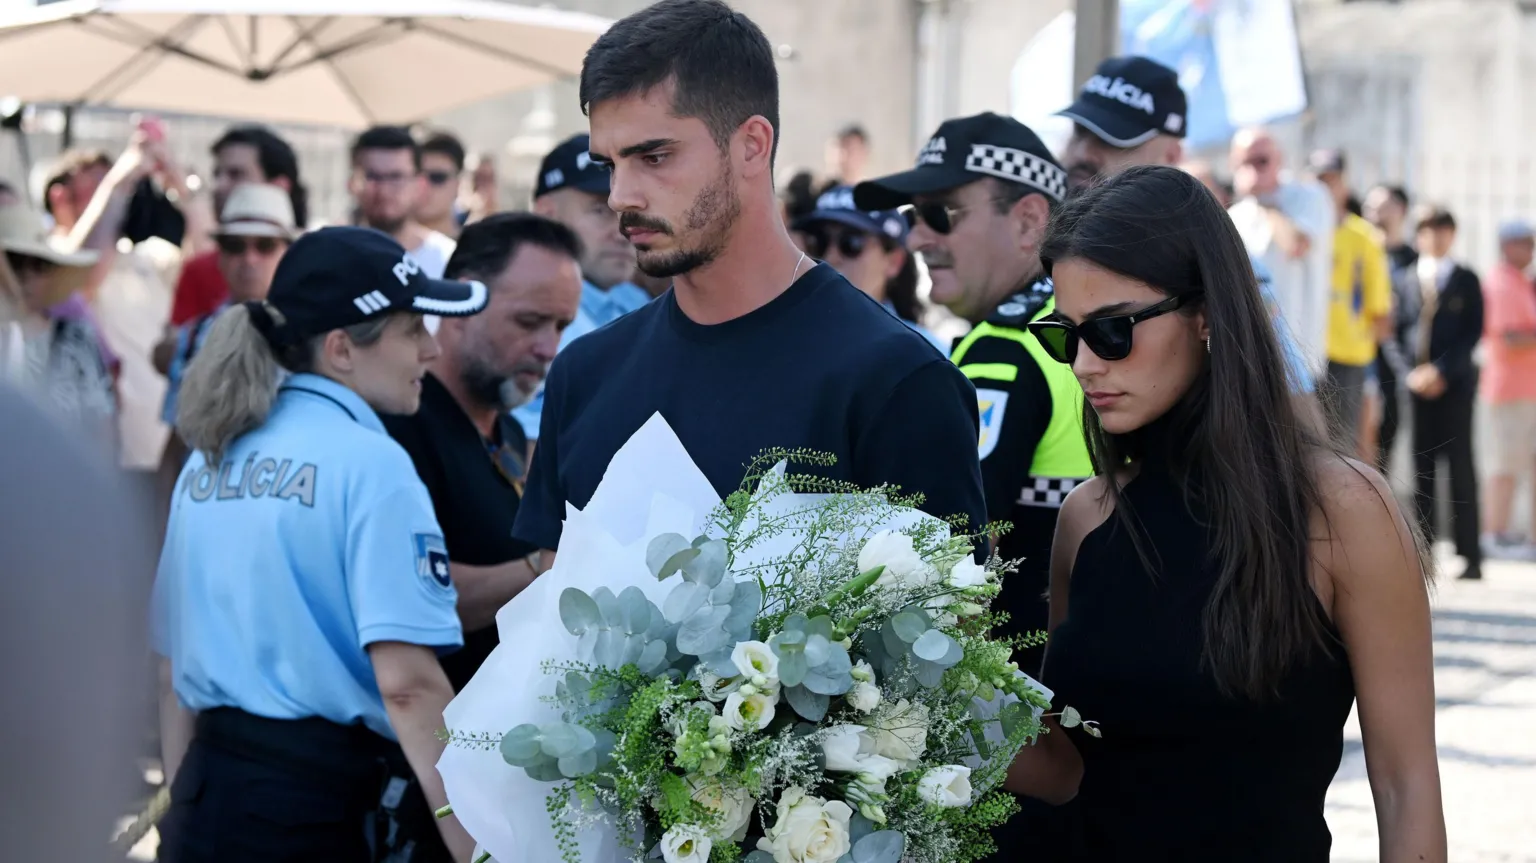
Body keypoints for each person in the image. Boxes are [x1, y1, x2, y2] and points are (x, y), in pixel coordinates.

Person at [1025, 164, 1445, 860]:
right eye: (1065, 335)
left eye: (1113, 330)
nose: (1085, 365)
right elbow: (1060, 767)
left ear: (1207, 314)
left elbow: (1406, 787)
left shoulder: (1343, 509)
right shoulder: (1089, 516)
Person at [513, 0, 987, 564]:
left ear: (752, 145)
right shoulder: (584, 373)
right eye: (609, 164)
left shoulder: (895, 379)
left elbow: (948, 634)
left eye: (655, 156)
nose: (622, 196)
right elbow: (551, 607)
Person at [151, 226, 488, 862]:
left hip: (204, 800)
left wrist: (183, 806)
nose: (430, 350)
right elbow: (409, 686)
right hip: (312, 813)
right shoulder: (372, 464)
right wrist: (478, 847)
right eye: (412, 328)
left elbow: (171, 667)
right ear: (341, 348)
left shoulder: (211, 453)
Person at [854, 113, 1085, 681]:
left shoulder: (1005, 348)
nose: (916, 238)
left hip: (1021, 710)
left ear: (1029, 221)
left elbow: (947, 551)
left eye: (940, 215)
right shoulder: (1095, 324)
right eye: (912, 217)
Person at [382, 213, 582, 693]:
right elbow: (411, 597)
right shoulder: (400, 424)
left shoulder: (509, 430)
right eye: (530, 322)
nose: (549, 347)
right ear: (463, 300)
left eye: (561, 325)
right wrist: (548, 567)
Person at [156, 183, 297, 504]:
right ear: (219, 256)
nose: (249, 259)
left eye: (265, 245)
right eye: (235, 246)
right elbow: (176, 445)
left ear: (288, 253)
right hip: (203, 509)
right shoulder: (193, 335)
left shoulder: (313, 338)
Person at [518, 133, 649, 440]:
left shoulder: (633, 299)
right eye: (601, 211)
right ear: (547, 214)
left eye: (631, 211)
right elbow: (529, 450)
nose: (623, 231)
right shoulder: (522, 315)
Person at [166, 125, 307, 328]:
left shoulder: (320, 276)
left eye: (236, 174)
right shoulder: (197, 271)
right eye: (233, 246)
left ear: (279, 187)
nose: (220, 185)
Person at [1408, 205, 1485, 581]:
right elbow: (1394, 330)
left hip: (1454, 388)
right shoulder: (1407, 278)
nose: (1434, 235)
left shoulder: (1466, 278)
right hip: (1415, 389)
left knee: (1461, 468)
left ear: (1452, 234)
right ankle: (1423, 551)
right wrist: (1411, 373)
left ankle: (1470, 554)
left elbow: (1472, 334)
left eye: (1441, 228)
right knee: (1420, 470)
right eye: (1426, 228)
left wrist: (1440, 371)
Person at [0, 203, 115, 450]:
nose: (27, 276)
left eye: (39, 265)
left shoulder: (75, 336)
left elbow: (102, 423)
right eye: (16, 262)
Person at [1228, 127, 1335, 383]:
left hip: (1301, 358)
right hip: (1254, 358)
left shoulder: (1309, 196)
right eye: (1245, 163)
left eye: (1261, 160)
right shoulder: (1236, 215)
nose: (1253, 169)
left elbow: (1295, 244)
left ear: (1280, 159)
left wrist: (1265, 201)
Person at [790, 184, 944, 351]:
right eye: (819, 242)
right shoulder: (783, 339)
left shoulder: (928, 356)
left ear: (894, 261)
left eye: (851, 243)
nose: (830, 257)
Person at [1311, 149, 1392, 453]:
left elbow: (1379, 309)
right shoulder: (1303, 232)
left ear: (1344, 183)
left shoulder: (1365, 237)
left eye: (1330, 180)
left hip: (1346, 354)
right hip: (1302, 354)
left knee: (1339, 449)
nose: (1324, 188)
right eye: (1318, 179)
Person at [1481, 220, 1536, 557]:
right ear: (1506, 245)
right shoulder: (1501, 283)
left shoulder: (1522, 282)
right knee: (1504, 465)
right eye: (1525, 242)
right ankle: (1495, 534)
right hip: (1509, 390)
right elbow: (1510, 337)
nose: (1531, 249)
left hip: (1527, 389)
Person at [1056, 55, 1186, 196]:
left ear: (1170, 156)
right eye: (1080, 130)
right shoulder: (1034, 207)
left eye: (1110, 140)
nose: (1083, 154)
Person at [350, 125, 457, 279]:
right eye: (372, 176)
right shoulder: (327, 257)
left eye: (396, 177)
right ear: (352, 183)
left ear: (420, 185)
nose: (384, 190)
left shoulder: (446, 260)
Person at [1363, 183, 1418, 472]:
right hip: (1356, 354)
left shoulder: (1412, 260)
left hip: (1393, 360)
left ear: (1401, 211)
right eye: (1370, 207)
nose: (1375, 215)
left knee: (1388, 434)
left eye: (1383, 207)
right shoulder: (1356, 251)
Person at [416, 130, 467, 241]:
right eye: (416, 176)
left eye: (437, 177)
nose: (423, 185)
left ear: (457, 185)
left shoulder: (476, 250)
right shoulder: (390, 249)